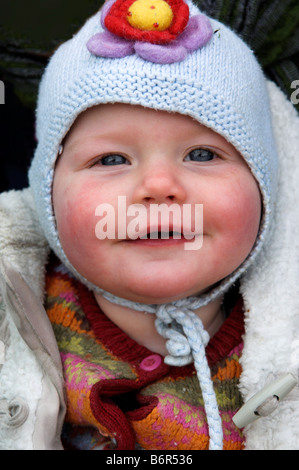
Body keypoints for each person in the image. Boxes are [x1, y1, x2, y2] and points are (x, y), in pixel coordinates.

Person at [0, 0, 299, 451]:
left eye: (202, 154)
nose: (159, 187)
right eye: (112, 159)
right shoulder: (10, 325)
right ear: (47, 197)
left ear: (266, 190)